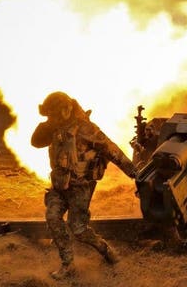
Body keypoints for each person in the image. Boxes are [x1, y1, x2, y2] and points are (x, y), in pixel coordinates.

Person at [31, 91, 137, 279]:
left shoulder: (87, 129)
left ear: (67, 109)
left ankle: (104, 249)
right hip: (59, 186)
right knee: (53, 218)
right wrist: (48, 124)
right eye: (50, 115)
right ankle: (68, 264)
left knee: (78, 229)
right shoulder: (55, 127)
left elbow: (112, 150)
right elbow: (36, 142)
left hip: (81, 187)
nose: (53, 118)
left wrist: (134, 172)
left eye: (54, 114)